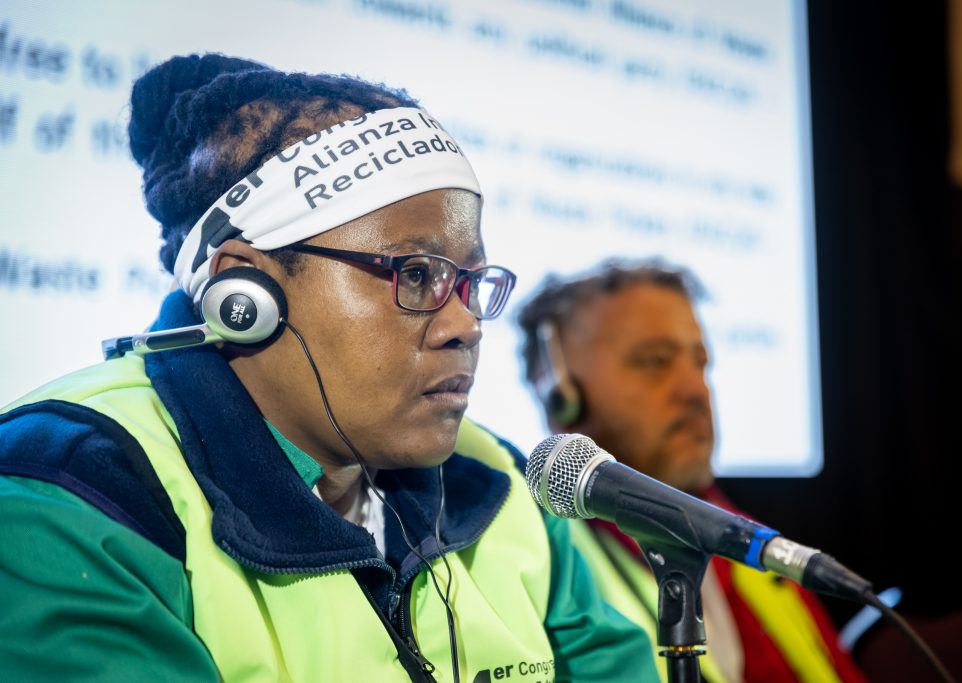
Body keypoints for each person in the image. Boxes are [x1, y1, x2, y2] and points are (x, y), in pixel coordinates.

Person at [0, 54, 658, 682]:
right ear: (244, 297)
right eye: (415, 274)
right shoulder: (70, 497)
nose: (466, 324)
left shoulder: (500, 481)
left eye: (470, 281)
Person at [517, 258, 867, 683]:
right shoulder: (537, 563)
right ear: (561, 395)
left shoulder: (750, 540)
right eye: (655, 361)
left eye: (700, 362)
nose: (696, 390)